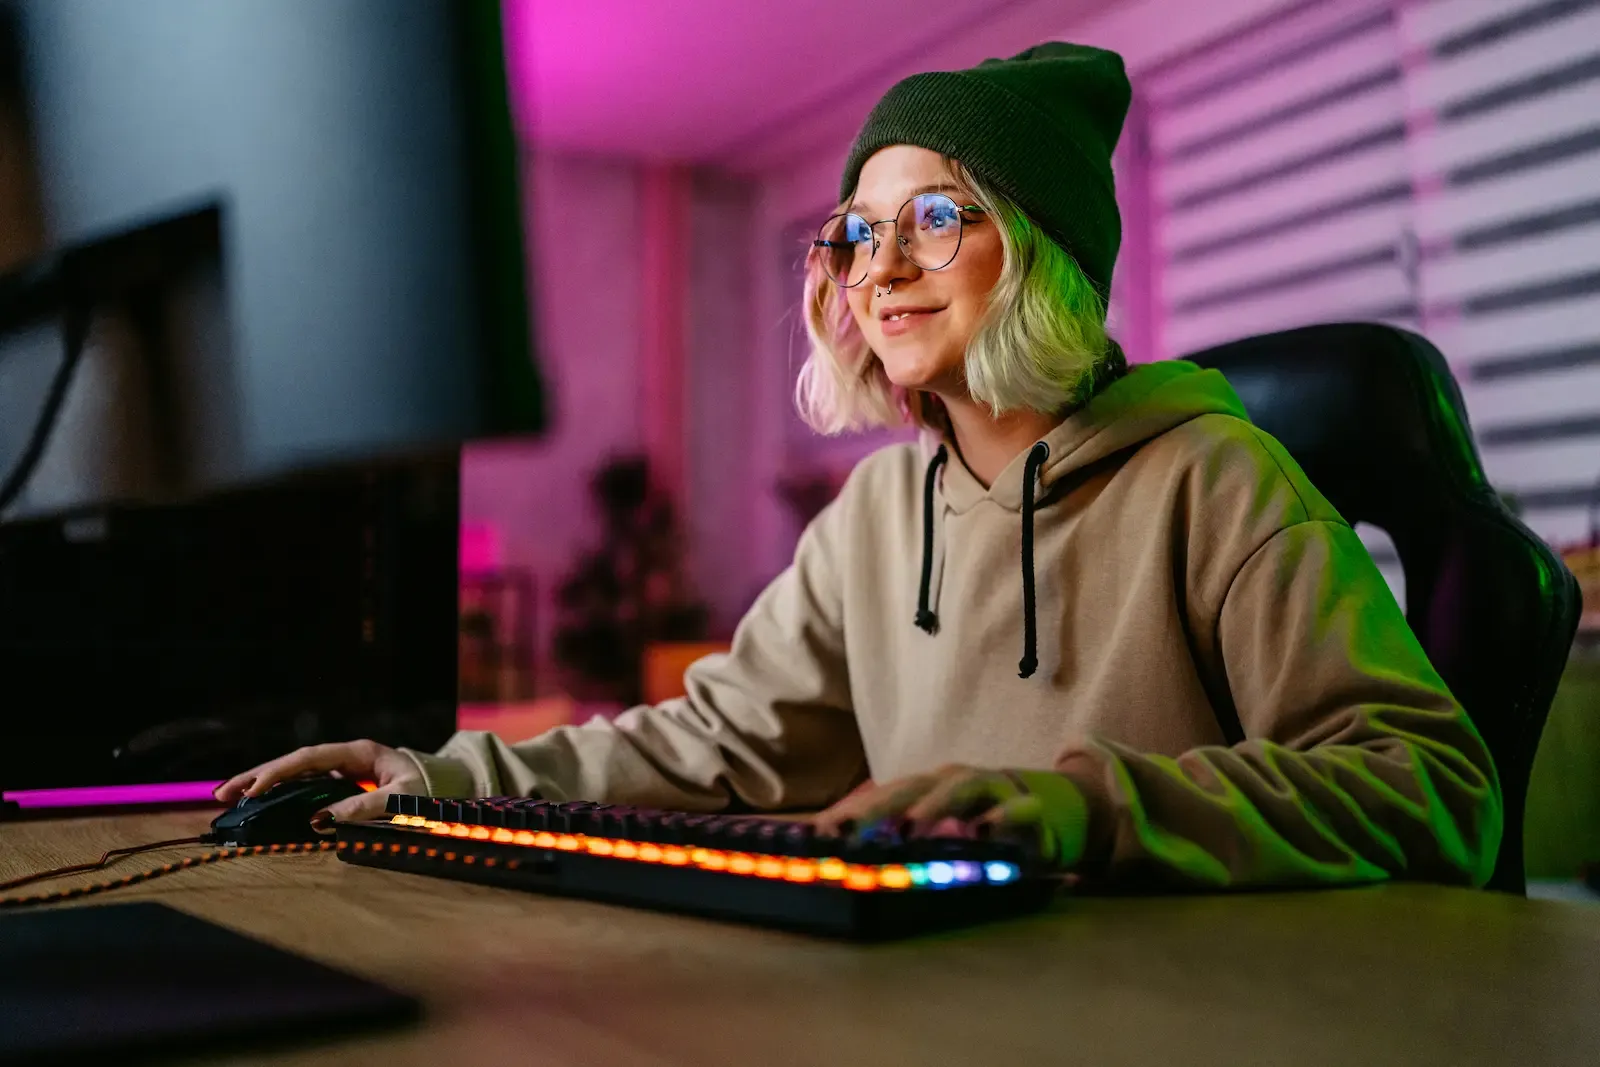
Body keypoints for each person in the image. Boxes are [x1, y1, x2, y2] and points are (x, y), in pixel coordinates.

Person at [218, 43, 1500, 889]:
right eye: (855, 231)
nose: (878, 267)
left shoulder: (1215, 479)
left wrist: (1082, 809)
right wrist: (433, 774)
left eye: (936, 218)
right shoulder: (875, 514)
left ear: (1044, 252)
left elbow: (1430, 783)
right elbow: (711, 743)